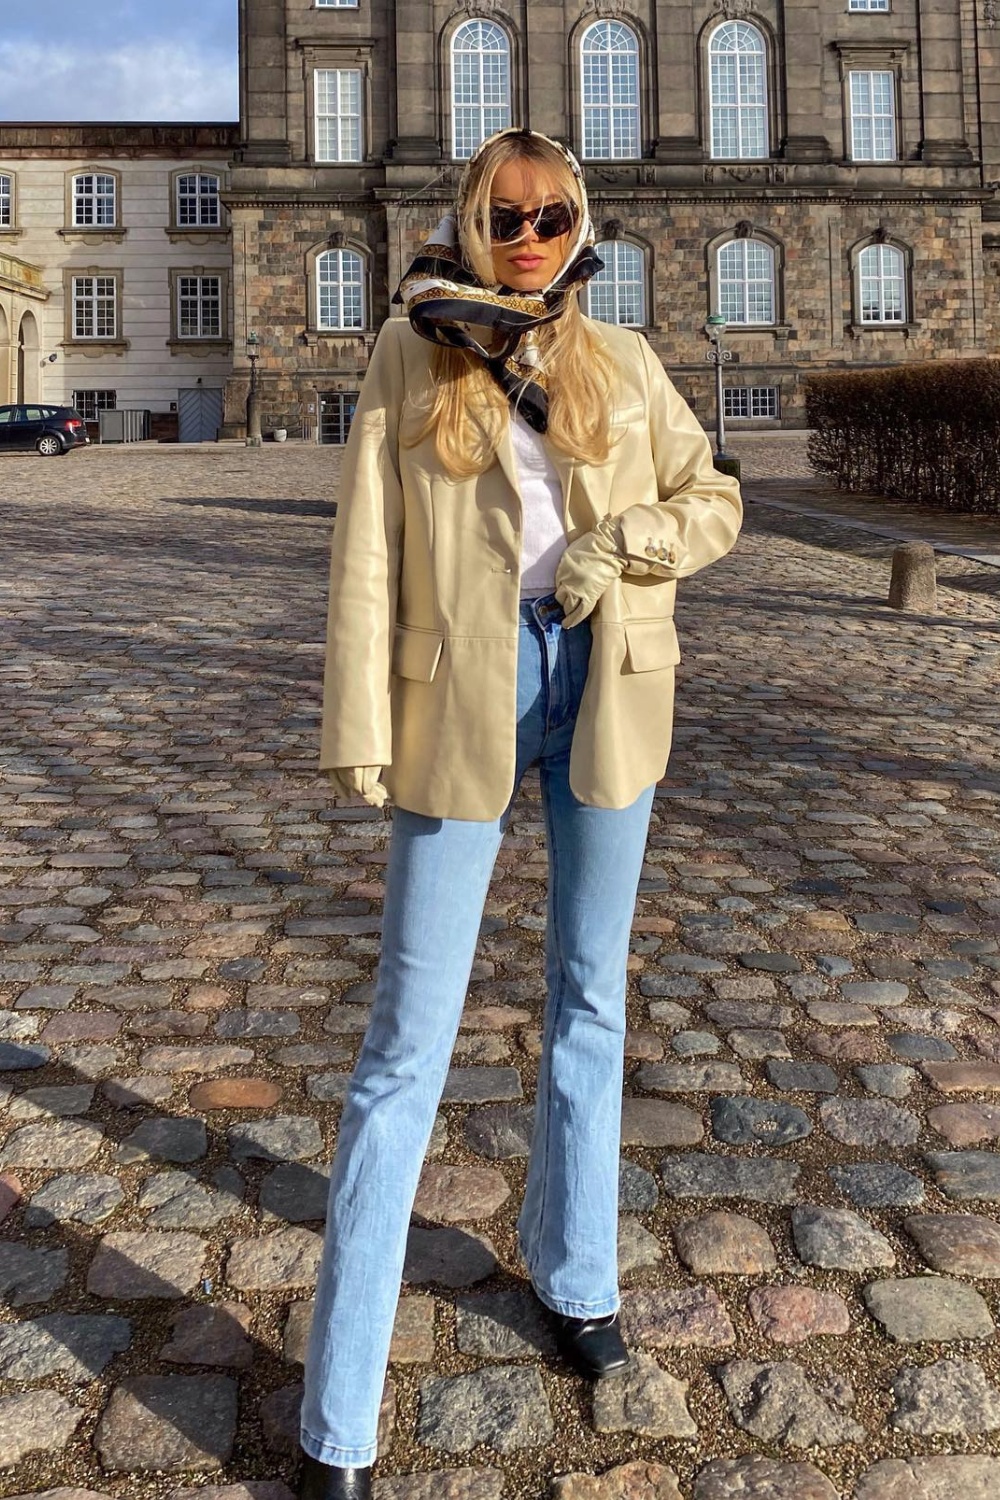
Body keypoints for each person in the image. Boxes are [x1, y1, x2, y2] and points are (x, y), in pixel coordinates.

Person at [299, 126, 742, 1500]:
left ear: (580, 222)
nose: (530, 233)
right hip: (460, 698)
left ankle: (579, 1283)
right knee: (401, 1051)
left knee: (589, 1005)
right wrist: (357, 729)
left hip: (609, 684)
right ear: (470, 219)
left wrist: (622, 547)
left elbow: (715, 498)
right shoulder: (408, 351)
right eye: (506, 214)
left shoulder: (620, 360)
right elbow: (366, 552)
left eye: (553, 214)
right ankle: (338, 1420)